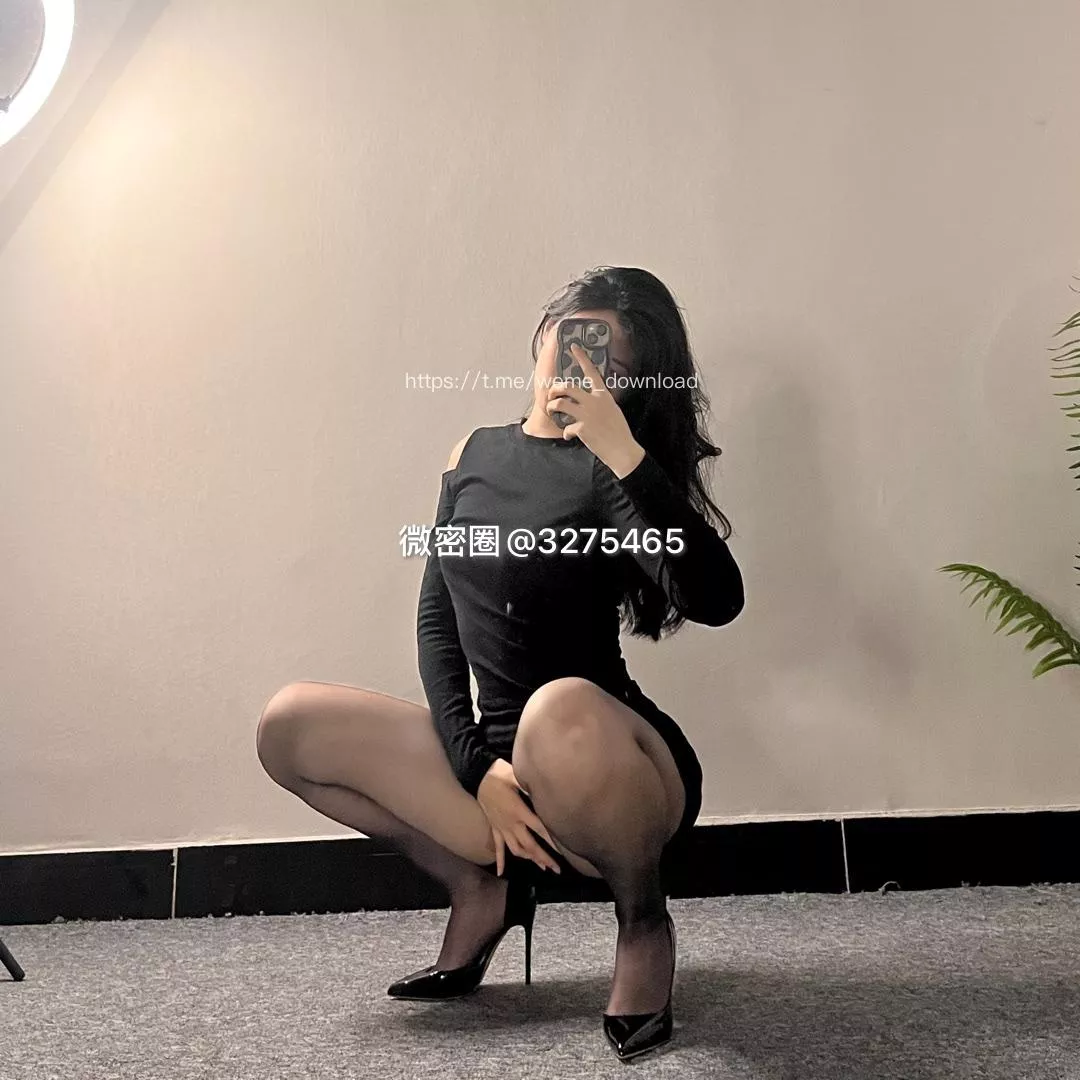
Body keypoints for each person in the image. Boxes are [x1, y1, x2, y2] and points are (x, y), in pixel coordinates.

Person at [255, 265, 744, 1061]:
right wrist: (476, 767)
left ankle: (643, 922)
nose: (578, 365)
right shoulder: (473, 454)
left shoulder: (612, 471)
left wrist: (625, 455)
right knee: (290, 726)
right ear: (543, 333)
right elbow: (437, 621)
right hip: (502, 768)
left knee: (558, 708)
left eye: (608, 360)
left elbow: (717, 598)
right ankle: (482, 888)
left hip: (607, 764)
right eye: (570, 339)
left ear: (630, 383)